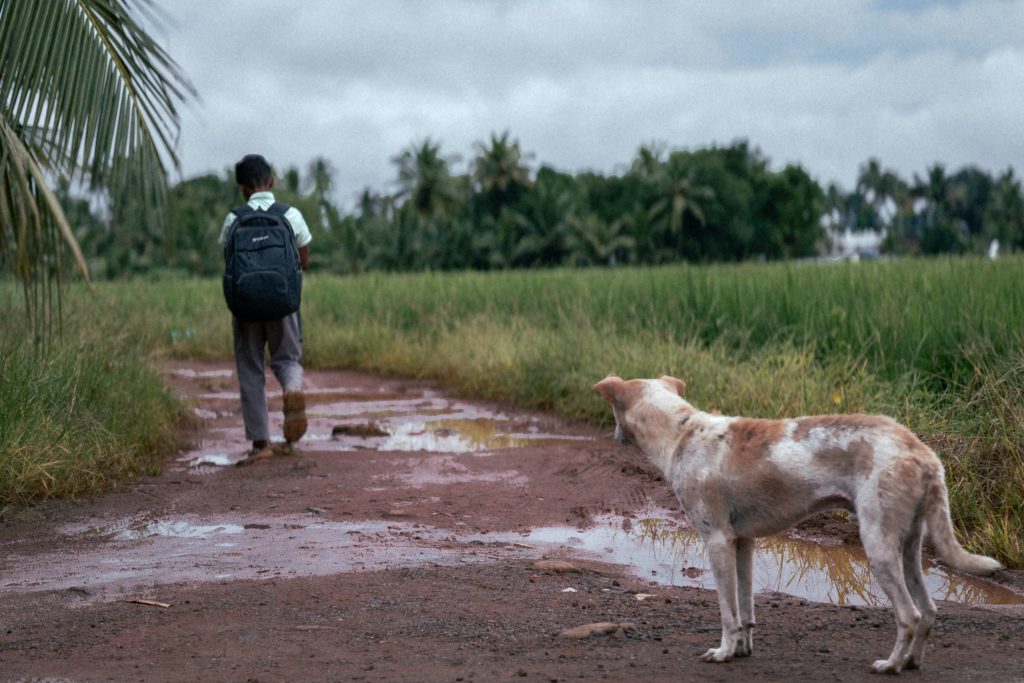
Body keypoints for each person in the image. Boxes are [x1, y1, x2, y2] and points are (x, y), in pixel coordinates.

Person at [219, 153, 312, 464]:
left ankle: (261, 444)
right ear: (271, 182)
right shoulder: (290, 215)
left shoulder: (234, 218)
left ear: (241, 187)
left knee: (250, 369)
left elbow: (228, 261)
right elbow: (304, 261)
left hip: (245, 309)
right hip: (283, 304)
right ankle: (292, 389)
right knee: (287, 359)